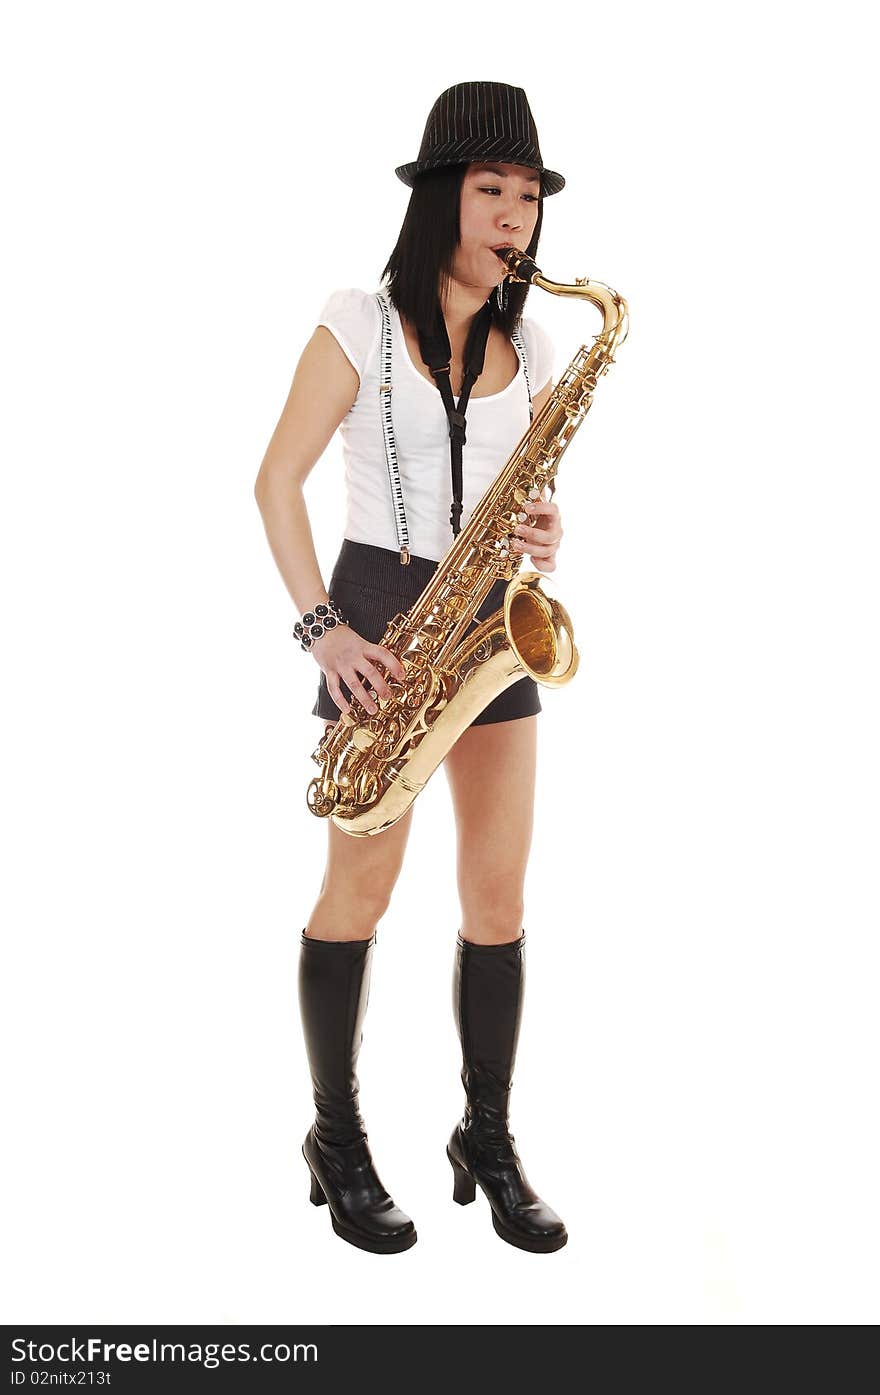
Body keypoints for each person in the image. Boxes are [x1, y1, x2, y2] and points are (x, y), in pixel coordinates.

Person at [254, 81, 568, 1255]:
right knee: (360, 895)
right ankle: (335, 1138)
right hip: (381, 613)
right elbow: (273, 481)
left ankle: (484, 1138)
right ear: (443, 195)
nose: (513, 217)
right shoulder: (358, 316)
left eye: (528, 197)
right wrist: (322, 628)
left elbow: (520, 499)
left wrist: (541, 534)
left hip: (491, 620)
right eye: (491, 190)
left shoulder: (532, 341)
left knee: (498, 901)